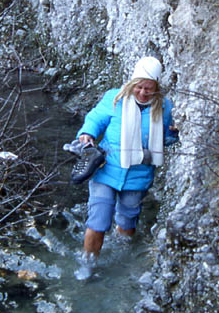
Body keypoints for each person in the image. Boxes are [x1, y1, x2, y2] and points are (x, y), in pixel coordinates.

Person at [75, 56, 177, 276]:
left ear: (156, 87)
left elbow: (165, 139)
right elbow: (95, 119)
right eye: (139, 87)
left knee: (128, 218)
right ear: (132, 83)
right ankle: (88, 264)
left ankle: (122, 256)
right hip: (107, 169)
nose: (142, 93)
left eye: (148, 89)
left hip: (139, 175)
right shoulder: (115, 98)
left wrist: (174, 135)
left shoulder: (164, 107)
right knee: (98, 220)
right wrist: (86, 134)